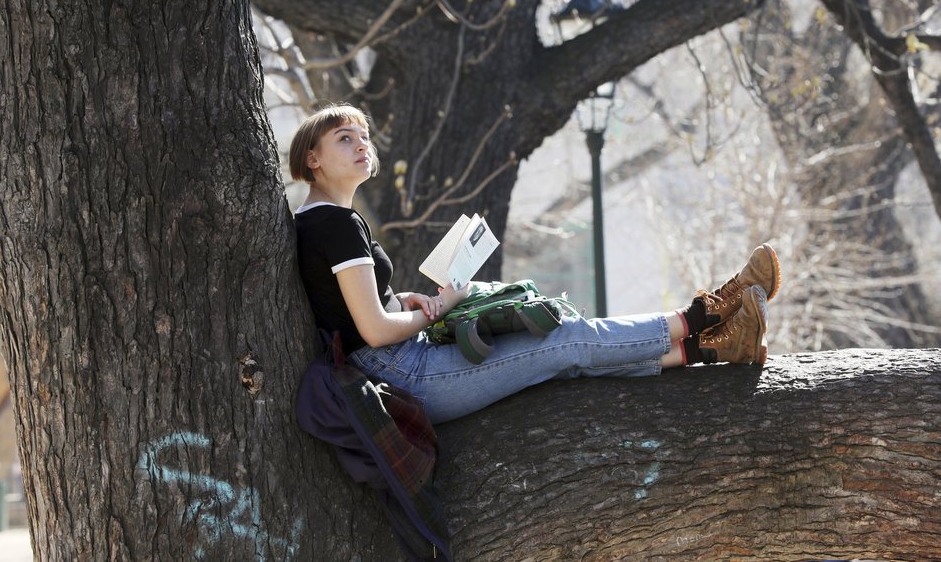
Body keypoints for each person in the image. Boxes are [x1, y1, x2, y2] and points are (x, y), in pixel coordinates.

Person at [290, 104, 780, 425]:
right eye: (344, 139)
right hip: (406, 374)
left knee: (561, 360)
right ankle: (706, 313)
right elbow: (374, 332)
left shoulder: (328, 220)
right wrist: (440, 307)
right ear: (312, 158)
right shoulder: (333, 223)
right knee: (563, 338)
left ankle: (714, 348)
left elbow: (364, 310)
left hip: (403, 361)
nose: (361, 146)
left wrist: (406, 301)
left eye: (363, 137)